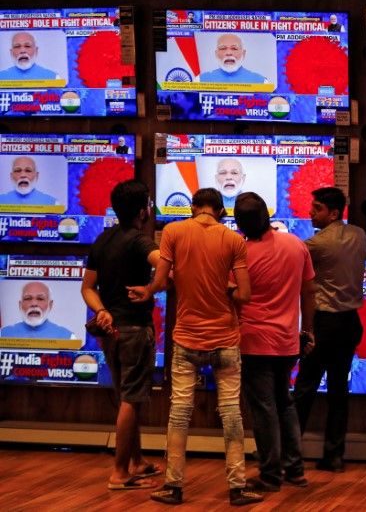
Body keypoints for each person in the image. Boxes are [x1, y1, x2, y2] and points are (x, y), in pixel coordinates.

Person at [128, 188, 262, 506]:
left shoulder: (174, 232)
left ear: (193, 208)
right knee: (231, 413)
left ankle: (173, 486)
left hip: (186, 338)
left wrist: (147, 290)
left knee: (179, 413)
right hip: (225, 338)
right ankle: (237, 488)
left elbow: (161, 282)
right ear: (220, 210)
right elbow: (244, 295)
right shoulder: (234, 240)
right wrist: (226, 287)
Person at [80, 180, 162, 491]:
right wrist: (152, 287)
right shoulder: (141, 241)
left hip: (110, 331)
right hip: (135, 331)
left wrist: (101, 310)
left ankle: (136, 462)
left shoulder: (103, 239)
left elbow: (87, 288)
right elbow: (165, 265)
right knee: (131, 399)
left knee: (128, 399)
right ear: (142, 211)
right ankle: (119, 473)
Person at [234, 192, 316, 492]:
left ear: (240, 224)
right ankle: (295, 470)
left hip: (252, 341)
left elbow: (232, 297)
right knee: (285, 403)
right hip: (287, 340)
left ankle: (270, 474)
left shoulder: (240, 255)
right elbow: (309, 292)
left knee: (264, 408)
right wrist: (308, 331)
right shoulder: (296, 244)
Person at [294, 187, 366, 473]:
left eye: (317, 208)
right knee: (338, 391)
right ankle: (334, 456)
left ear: (334, 213)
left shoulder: (315, 244)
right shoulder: (359, 235)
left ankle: (289, 453)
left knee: (304, 389)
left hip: (324, 323)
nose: (310, 212)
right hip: (351, 323)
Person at [0, 281, 76, 339]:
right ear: (20, 305)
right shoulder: (3, 334)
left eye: (40, 299)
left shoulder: (68, 337)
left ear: (50, 305)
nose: (34, 304)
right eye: (28, 298)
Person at [199, 34, 269, 84]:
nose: (228, 53)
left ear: (243, 53)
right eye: (223, 48)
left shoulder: (261, 82)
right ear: (216, 54)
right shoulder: (200, 81)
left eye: (234, 48)